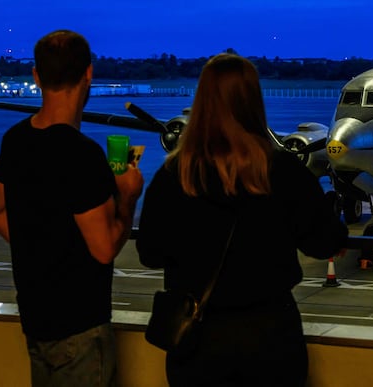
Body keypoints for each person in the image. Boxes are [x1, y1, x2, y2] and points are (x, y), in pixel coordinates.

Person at [135, 53, 349, 386]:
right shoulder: (283, 171)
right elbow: (325, 242)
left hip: (198, 341)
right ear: (253, 100)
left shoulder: (171, 176)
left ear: (202, 100)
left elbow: (149, 253)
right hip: (270, 336)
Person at [0, 29, 144, 386]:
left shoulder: (15, 140)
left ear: (37, 76)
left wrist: (39, 248)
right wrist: (129, 198)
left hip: (36, 322)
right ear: (88, 74)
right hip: (79, 329)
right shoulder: (83, 156)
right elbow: (104, 249)